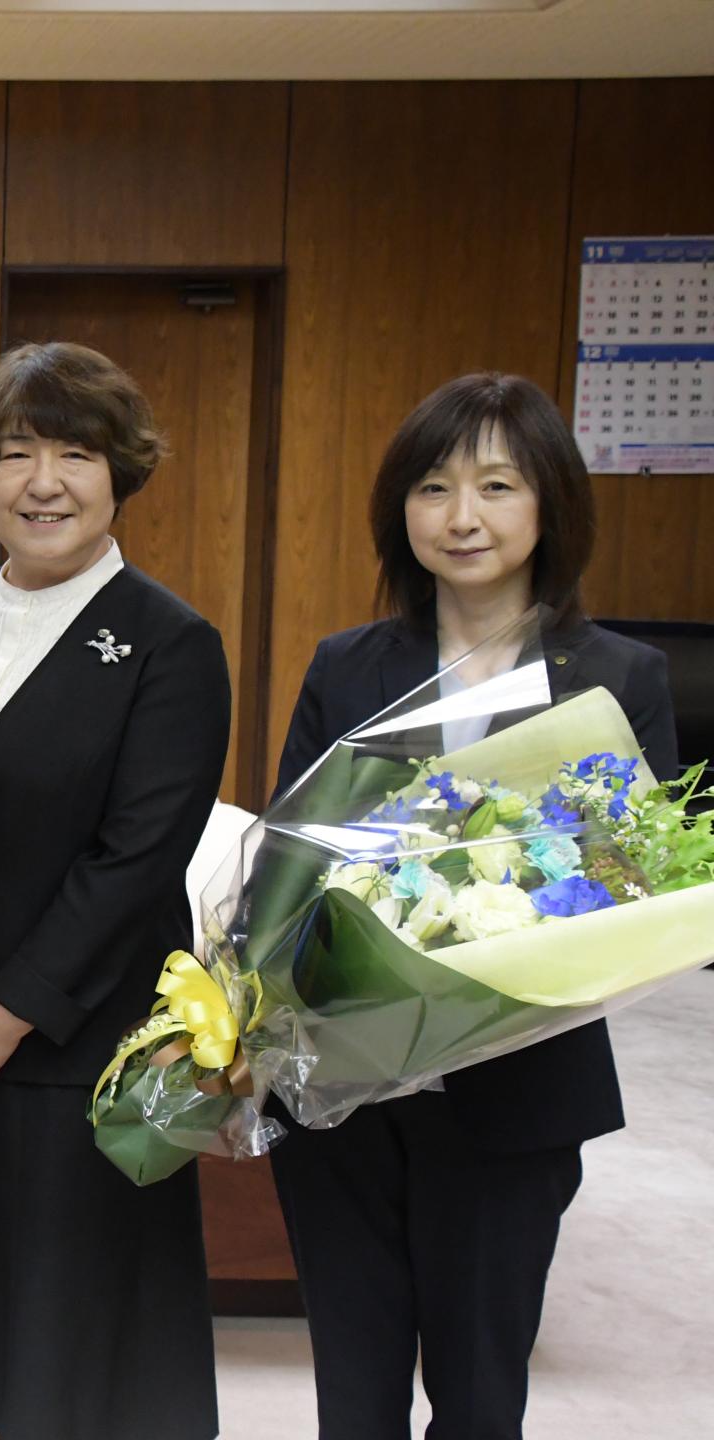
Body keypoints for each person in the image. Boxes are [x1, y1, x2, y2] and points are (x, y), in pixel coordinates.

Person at [271, 371, 677, 1439]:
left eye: (496, 486)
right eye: (434, 486)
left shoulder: (613, 677)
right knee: (352, 1397)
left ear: (551, 504)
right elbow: (288, 868)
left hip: (516, 1095)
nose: (461, 517)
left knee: (481, 1394)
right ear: (399, 510)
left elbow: (639, 883)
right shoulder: (351, 667)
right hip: (349, 1097)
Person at [0, 341, 228, 1440]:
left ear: (121, 474)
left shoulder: (171, 643)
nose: (43, 481)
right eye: (15, 452)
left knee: (80, 1378)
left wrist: (5, 1010)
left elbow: (135, 861)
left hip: (83, 1056)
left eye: (76, 453)